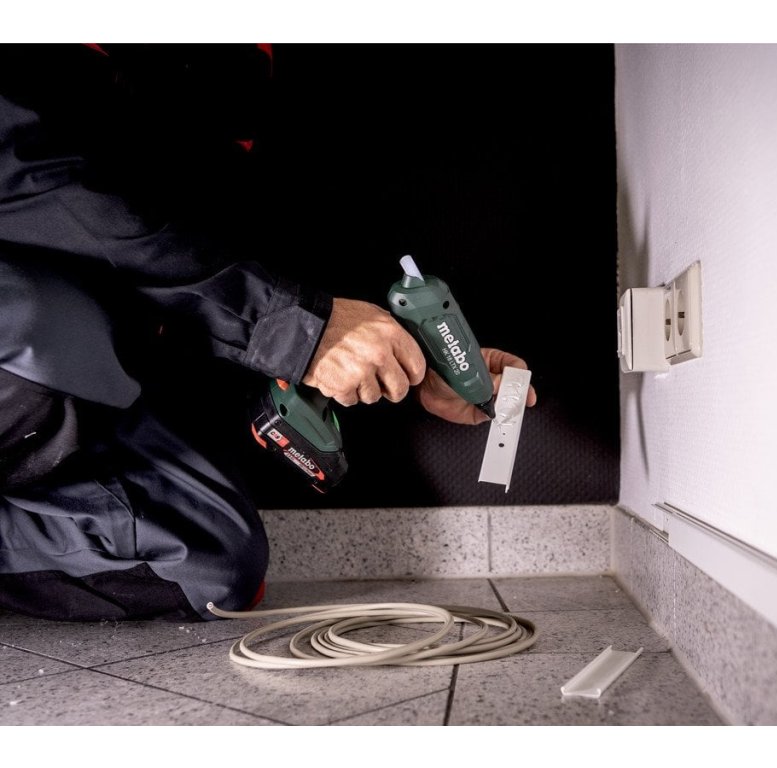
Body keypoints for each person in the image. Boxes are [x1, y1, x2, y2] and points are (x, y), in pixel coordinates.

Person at [0, 44, 536, 622]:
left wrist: (416, 357)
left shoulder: (226, 67)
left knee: (210, 561)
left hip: (104, 355)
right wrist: (300, 331)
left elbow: (208, 231)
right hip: (33, 326)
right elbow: (46, 194)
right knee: (45, 337)